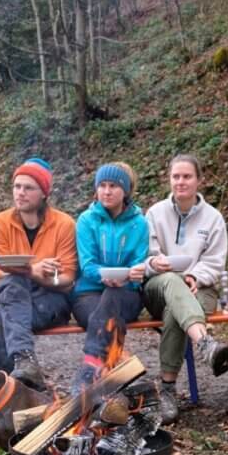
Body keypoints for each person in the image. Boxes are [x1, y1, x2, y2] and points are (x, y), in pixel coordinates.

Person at [142, 154, 228, 422]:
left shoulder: (213, 218)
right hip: (158, 286)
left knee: (175, 310)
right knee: (172, 281)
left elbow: (216, 261)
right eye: (176, 176)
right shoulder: (155, 214)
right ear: (169, 179)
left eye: (187, 176)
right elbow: (143, 256)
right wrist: (153, 263)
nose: (181, 182)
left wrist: (195, 276)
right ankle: (204, 343)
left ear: (199, 180)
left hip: (200, 287)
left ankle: (167, 389)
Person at [0, 158, 77, 390]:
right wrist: (34, 269)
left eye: (28, 188)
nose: (20, 193)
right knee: (12, 286)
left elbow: (66, 281)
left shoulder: (64, 224)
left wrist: (31, 273)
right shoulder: (1, 222)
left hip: (51, 301)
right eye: (17, 186)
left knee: (3, 317)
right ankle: (24, 362)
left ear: (44, 193)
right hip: (15, 295)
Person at [71, 162, 151, 396]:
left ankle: (90, 367)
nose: (107, 191)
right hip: (89, 294)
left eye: (113, 186)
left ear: (125, 190)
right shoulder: (86, 220)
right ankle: (110, 382)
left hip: (126, 294)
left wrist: (133, 274)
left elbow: (139, 263)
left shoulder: (139, 223)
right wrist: (105, 276)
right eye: (102, 186)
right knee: (107, 316)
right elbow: (87, 265)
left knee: (113, 300)